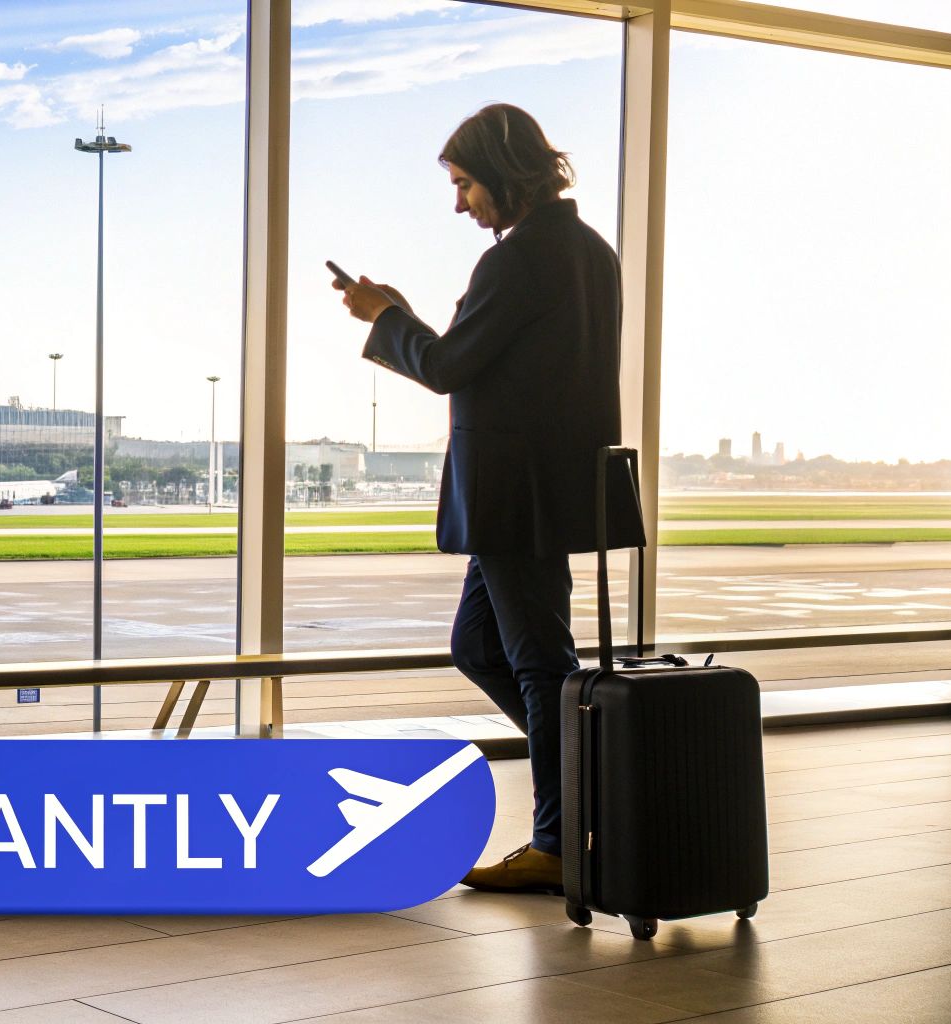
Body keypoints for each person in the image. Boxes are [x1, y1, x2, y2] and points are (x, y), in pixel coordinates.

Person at [334, 103, 644, 895]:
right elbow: (502, 363)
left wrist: (386, 317)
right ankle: (586, 776)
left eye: (465, 183)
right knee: (480, 648)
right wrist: (402, 316)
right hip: (549, 485)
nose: (460, 202)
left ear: (504, 175)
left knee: (540, 665)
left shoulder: (518, 259)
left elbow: (447, 366)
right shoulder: (589, 252)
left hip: (514, 493)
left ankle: (560, 836)